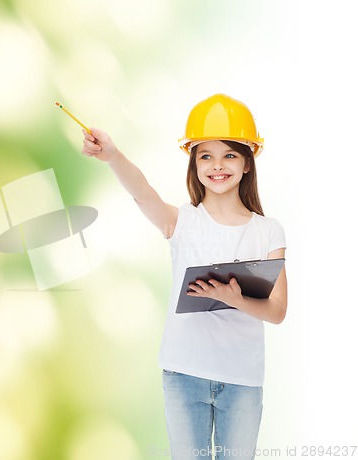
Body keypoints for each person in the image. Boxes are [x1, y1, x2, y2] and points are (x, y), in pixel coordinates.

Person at [81, 93, 287, 460]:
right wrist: (112, 155)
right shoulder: (181, 221)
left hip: (243, 379)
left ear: (247, 162)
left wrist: (235, 299)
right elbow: (141, 191)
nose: (217, 165)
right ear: (193, 163)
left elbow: (277, 311)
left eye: (229, 155)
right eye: (205, 155)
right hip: (184, 373)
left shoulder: (268, 231)